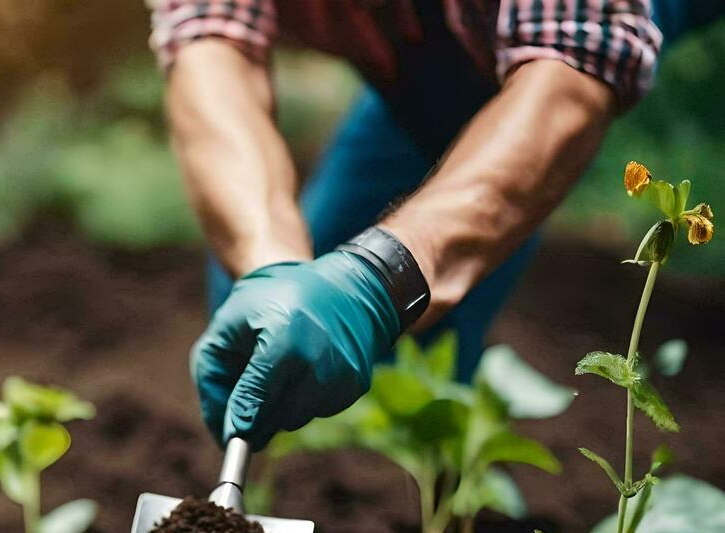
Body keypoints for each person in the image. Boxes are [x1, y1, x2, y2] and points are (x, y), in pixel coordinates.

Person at [154, 0, 724, 450]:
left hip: (571, 29)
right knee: (293, 312)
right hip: (440, 43)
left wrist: (381, 280)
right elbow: (209, 48)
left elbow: (569, 75)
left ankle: (444, 523)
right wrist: (269, 266)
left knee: (413, 329)